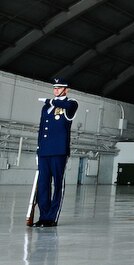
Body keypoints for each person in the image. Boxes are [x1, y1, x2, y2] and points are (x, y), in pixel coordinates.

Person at [32, 77, 78, 227]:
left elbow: (66, 105)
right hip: (44, 151)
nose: (56, 90)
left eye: (59, 88)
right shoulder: (46, 108)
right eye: (54, 88)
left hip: (59, 151)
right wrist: (38, 149)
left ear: (66, 89)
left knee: (58, 185)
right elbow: (41, 129)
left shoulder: (71, 104)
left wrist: (50, 101)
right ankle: (43, 216)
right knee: (43, 185)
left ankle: (52, 217)